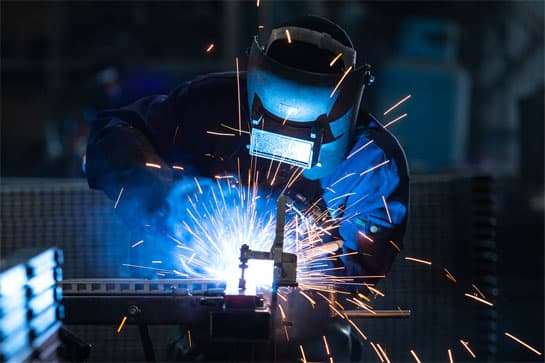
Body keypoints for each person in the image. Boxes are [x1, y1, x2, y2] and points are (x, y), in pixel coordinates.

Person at [86, 15, 409, 361]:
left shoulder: (373, 165)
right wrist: (169, 196)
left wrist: (301, 283)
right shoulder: (213, 105)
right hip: (205, 338)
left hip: (311, 343)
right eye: (273, 127)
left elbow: (356, 277)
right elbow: (111, 135)